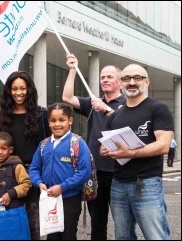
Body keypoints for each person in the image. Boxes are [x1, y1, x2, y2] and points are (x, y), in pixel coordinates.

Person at [101, 64, 173, 240]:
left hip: (146, 184)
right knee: (122, 237)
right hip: (117, 184)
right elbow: (110, 144)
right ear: (121, 83)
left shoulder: (158, 108)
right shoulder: (115, 115)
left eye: (137, 78)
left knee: (156, 236)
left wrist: (130, 153)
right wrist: (105, 150)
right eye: (126, 79)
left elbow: (164, 145)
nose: (131, 82)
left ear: (146, 81)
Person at [0, 70, 51, 239]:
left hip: (35, 177)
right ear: (9, 91)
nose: (18, 93)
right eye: (14, 89)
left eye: (22, 88)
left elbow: (49, 147)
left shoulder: (41, 116)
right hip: (8, 177)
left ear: (29, 90)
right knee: (10, 226)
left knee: (34, 227)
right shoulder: (2, 118)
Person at [62, 53, 125, 240]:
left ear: (120, 82)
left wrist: (106, 109)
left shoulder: (127, 104)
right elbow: (67, 97)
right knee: (97, 223)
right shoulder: (92, 102)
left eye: (109, 77)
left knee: (123, 222)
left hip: (119, 172)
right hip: (94, 172)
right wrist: (72, 70)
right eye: (102, 77)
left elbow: (126, 126)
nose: (105, 80)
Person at [29, 103, 92, 240]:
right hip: (49, 199)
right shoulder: (44, 144)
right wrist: (39, 183)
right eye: (53, 120)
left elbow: (84, 172)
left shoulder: (78, 143)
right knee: (52, 236)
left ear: (70, 120)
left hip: (70, 199)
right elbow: (34, 168)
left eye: (61, 120)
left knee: (68, 235)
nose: (57, 124)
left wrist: (62, 187)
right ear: (48, 122)